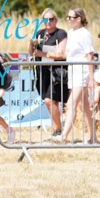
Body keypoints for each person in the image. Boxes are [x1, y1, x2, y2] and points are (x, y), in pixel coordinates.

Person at [55, 8, 96, 144]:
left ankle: (64, 136)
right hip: (73, 71)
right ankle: (94, 137)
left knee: (71, 104)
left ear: (78, 19)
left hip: (82, 72)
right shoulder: (71, 33)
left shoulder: (85, 34)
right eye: (67, 17)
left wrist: (91, 78)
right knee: (84, 107)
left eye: (70, 17)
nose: (68, 19)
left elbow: (90, 56)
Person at [28, 8, 70, 137]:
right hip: (42, 72)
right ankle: (56, 130)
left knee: (49, 101)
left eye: (51, 19)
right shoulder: (39, 33)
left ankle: (59, 130)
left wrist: (44, 54)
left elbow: (63, 54)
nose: (48, 22)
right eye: (45, 19)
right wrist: (30, 43)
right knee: (50, 102)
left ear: (56, 20)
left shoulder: (61, 33)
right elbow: (31, 52)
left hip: (56, 72)